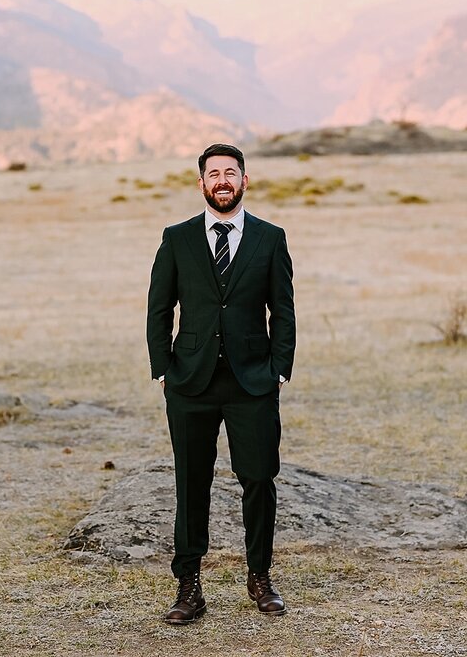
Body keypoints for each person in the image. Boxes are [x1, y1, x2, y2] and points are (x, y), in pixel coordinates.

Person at [146, 143, 295, 624]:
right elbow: (159, 308)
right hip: (190, 382)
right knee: (192, 482)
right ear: (202, 184)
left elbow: (284, 310)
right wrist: (164, 367)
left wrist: (279, 367)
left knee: (258, 479)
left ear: (245, 181)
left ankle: (260, 578)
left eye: (232, 172)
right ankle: (188, 587)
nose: (223, 181)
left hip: (253, 382)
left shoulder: (271, 239)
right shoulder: (177, 238)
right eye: (214, 174)